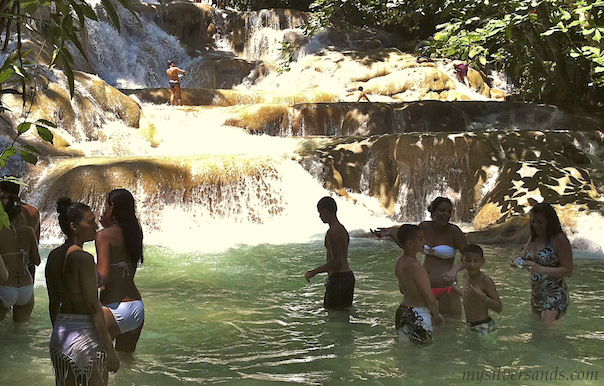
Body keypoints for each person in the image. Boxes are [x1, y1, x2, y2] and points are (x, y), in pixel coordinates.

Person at [45, 198, 119, 385]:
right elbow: (93, 306)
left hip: (61, 334)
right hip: (86, 335)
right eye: (90, 221)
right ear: (74, 226)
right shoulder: (83, 258)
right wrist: (109, 349)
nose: (95, 226)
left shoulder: (53, 256)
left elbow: (53, 303)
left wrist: (58, 335)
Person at [372, 197, 468, 317]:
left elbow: (469, 256)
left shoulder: (454, 231)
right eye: (442, 210)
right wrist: (392, 234)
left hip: (446, 289)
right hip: (423, 290)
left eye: (449, 211)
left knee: (449, 330)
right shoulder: (424, 227)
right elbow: (409, 247)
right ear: (433, 211)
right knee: (427, 330)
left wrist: (454, 270)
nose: (446, 214)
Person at [97, 189, 145, 354]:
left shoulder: (104, 236)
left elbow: (102, 277)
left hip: (113, 308)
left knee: (99, 367)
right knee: (125, 366)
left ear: (112, 206)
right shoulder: (135, 233)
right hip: (136, 308)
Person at [509, 202, 573, 324]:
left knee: (546, 332)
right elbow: (523, 261)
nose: (536, 225)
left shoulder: (559, 239)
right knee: (538, 333)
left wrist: (540, 269)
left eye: (540, 222)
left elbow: (568, 271)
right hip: (537, 294)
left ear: (549, 221)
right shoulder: (533, 237)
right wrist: (515, 263)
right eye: (533, 222)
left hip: (555, 293)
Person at [395, 224, 444, 345]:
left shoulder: (399, 262)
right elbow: (429, 297)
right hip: (418, 314)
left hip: (402, 312)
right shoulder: (416, 267)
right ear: (410, 243)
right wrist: (436, 314)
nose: (425, 242)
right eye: (421, 239)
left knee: (406, 353)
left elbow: (402, 290)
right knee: (424, 354)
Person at [0, 179, 40, 323]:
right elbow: (36, 260)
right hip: (26, 285)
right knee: (20, 332)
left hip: (5, 283)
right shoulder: (31, 219)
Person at [305, 196, 355, 310]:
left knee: (334, 316)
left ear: (325, 211)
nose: (319, 216)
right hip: (347, 277)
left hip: (339, 279)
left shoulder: (332, 232)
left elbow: (337, 261)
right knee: (342, 316)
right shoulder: (342, 229)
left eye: (320, 212)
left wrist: (314, 272)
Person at [452, 244, 502, 334]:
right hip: (469, 325)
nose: (472, 264)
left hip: (484, 325)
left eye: (476, 261)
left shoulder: (485, 280)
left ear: (482, 261)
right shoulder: (466, 276)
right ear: (462, 260)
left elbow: (499, 307)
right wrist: (454, 286)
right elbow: (467, 295)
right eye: (468, 260)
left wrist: (482, 297)